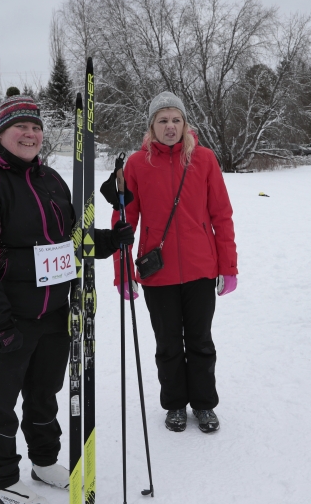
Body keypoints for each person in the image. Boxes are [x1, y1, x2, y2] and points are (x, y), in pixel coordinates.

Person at [0, 94, 134, 504]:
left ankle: (43, 459)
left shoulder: (51, 179)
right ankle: (3, 478)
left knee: (44, 392)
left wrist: (107, 241)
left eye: (36, 127)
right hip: (1, 316)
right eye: (21, 127)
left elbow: (69, 242)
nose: (30, 134)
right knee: (0, 399)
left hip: (55, 312)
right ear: (1, 133)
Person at [110, 91, 238, 434]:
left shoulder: (205, 160)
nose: (170, 126)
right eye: (163, 120)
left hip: (200, 269)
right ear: (152, 125)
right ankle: (175, 405)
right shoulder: (136, 164)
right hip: (158, 272)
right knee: (167, 343)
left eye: (176, 119)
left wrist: (228, 266)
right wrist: (122, 272)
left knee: (200, 341)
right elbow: (124, 223)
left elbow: (221, 216)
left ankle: (204, 404)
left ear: (185, 124)